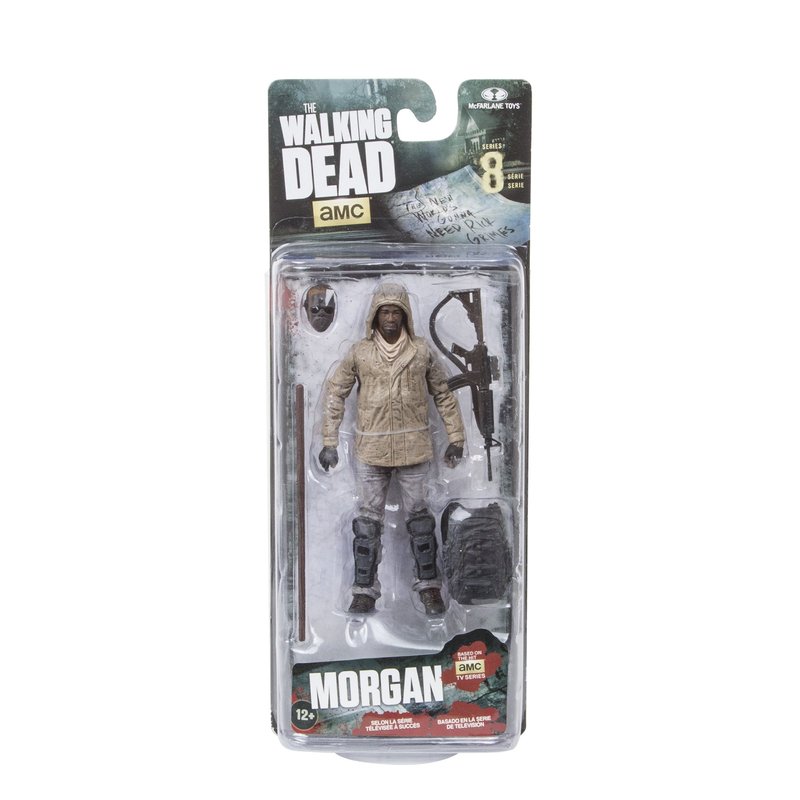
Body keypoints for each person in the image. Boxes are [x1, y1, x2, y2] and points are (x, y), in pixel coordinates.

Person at [319, 283, 465, 615]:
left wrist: (456, 438)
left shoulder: (421, 351)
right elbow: (335, 392)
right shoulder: (361, 353)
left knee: (420, 521)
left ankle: (429, 588)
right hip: (372, 449)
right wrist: (329, 441)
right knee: (367, 523)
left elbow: (443, 394)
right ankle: (364, 592)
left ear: (405, 315)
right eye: (384, 312)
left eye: (395, 312)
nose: (389, 318)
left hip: (414, 448)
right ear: (375, 315)